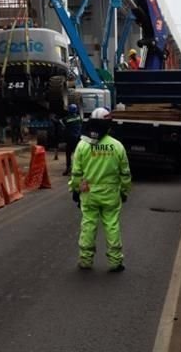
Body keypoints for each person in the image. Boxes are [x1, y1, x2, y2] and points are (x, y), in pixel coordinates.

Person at [69, 107, 132, 272]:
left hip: (89, 193)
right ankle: (115, 261)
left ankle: (85, 260)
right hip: (111, 194)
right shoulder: (117, 146)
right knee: (112, 225)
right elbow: (125, 174)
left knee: (88, 224)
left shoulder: (83, 145)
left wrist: (75, 189)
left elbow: (76, 173)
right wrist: (124, 191)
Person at [62, 104, 83, 176]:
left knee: (68, 154)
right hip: (78, 138)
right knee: (78, 154)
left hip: (70, 139)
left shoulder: (66, 119)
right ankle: (80, 169)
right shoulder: (79, 117)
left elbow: (63, 124)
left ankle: (68, 169)